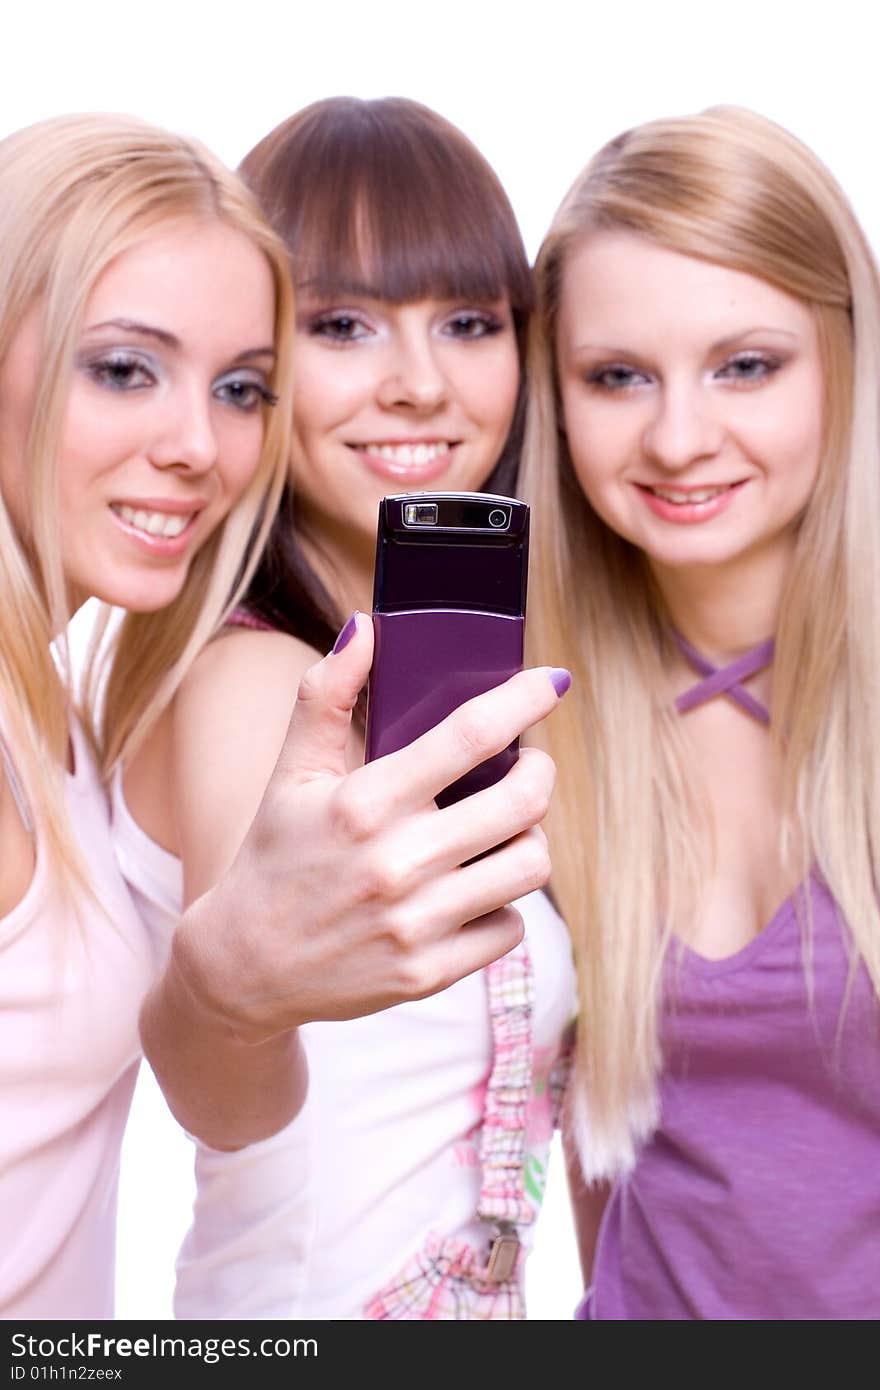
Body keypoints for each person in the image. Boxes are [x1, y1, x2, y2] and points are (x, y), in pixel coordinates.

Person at [0, 111, 564, 1321]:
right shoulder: (238, 684)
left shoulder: (45, 709)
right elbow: (233, 1086)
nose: (197, 443)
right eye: (122, 367)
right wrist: (222, 994)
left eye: (239, 385)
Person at [521, 105, 880, 1319]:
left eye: (745, 365)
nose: (677, 437)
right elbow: (589, 1149)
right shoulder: (536, 712)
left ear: (845, 356)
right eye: (617, 376)